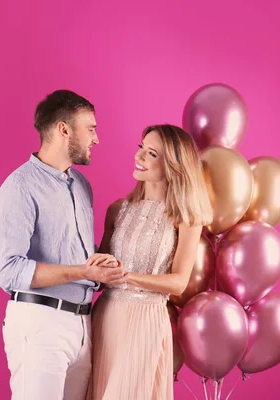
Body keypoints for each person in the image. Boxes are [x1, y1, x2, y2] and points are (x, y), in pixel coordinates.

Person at [0, 89, 125, 400]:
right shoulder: (20, 187)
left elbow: (81, 259)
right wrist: (82, 271)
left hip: (82, 324)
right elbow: (8, 271)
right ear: (64, 130)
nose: (96, 139)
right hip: (40, 324)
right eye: (90, 128)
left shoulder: (81, 185)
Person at [88, 124, 214, 399]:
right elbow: (99, 280)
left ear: (173, 166)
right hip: (106, 317)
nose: (140, 157)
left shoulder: (185, 218)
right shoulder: (117, 210)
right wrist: (97, 269)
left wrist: (126, 276)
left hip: (145, 321)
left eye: (152, 154)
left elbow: (178, 283)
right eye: (141, 148)